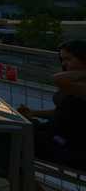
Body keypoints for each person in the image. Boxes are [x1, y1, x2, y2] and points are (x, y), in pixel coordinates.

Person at [17, 40, 86, 170]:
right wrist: (33, 112)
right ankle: (25, 182)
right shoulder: (76, 81)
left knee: (10, 135)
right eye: (62, 59)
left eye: (68, 59)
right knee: (13, 127)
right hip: (54, 135)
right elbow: (64, 111)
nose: (64, 63)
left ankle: (23, 182)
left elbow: (57, 79)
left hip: (68, 146)